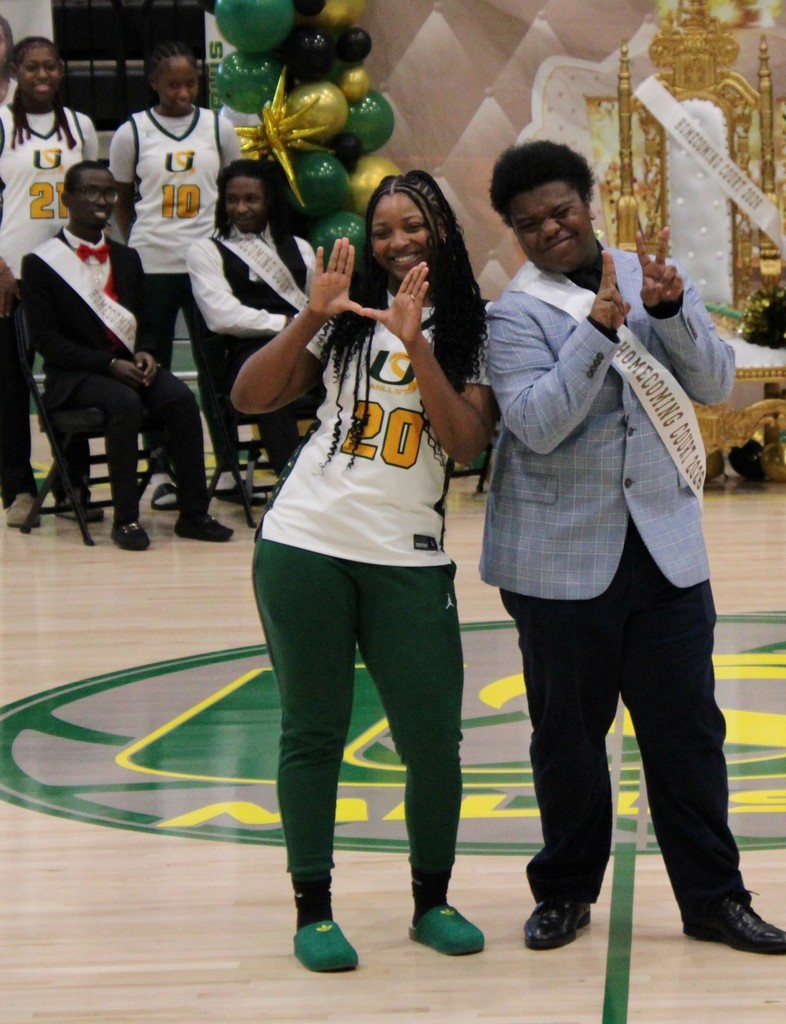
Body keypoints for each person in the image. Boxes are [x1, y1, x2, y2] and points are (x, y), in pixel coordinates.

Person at [482, 140, 786, 955]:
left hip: (664, 553)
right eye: (529, 224)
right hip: (558, 561)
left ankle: (715, 899)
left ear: (588, 202)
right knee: (567, 741)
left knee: (688, 735)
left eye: (562, 211)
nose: (550, 229)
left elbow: (715, 384)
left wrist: (670, 311)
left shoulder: (651, 273)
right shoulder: (513, 314)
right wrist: (598, 330)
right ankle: (563, 892)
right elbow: (537, 425)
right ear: (514, 232)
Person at [233, 170, 497, 972]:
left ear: (443, 230)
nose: (397, 241)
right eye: (383, 230)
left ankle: (431, 902)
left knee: (434, 742)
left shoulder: (476, 328)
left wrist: (417, 342)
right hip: (305, 540)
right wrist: (313, 312)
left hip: (407, 557)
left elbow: (466, 446)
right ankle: (313, 910)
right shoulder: (344, 317)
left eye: (412, 225)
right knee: (313, 730)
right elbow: (249, 396)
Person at [20, 160, 234, 551]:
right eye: (91, 191)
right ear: (67, 199)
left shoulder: (128, 258)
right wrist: (106, 364)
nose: (102, 201)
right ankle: (127, 519)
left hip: (127, 368)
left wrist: (147, 352)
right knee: (124, 403)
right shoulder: (39, 264)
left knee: (181, 399)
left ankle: (193, 513)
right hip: (76, 377)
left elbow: (144, 323)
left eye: (109, 192)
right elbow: (48, 343)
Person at [108, 40, 242, 511]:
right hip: (153, 264)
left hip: (208, 262)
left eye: (190, 83)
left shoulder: (218, 127)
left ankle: (229, 465)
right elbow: (122, 201)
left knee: (215, 365)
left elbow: (234, 190)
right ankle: (163, 470)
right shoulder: (132, 132)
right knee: (154, 369)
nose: (183, 93)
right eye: (172, 85)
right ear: (153, 83)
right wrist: (141, 244)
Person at [0, 36, 98, 527]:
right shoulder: (1, 122)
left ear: (61, 70)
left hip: (69, 271)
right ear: (15, 70)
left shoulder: (80, 125)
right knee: (10, 386)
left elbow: (93, 196)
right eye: (32, 67)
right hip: (13, 274)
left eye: (51, 67)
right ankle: (18, 488)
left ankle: (73, 481)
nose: (42, 76)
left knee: (70, 376)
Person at [186, 158, 316, 477]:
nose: (240, 208)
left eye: (250, 199)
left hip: (305, 349)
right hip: (247, 354)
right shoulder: (206, 250)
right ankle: (290, 486)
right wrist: (285, 325)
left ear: (269, 200)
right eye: (232, 199)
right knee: (271, 382)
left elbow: (317, 304)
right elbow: (222, 316)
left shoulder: (300, 248)